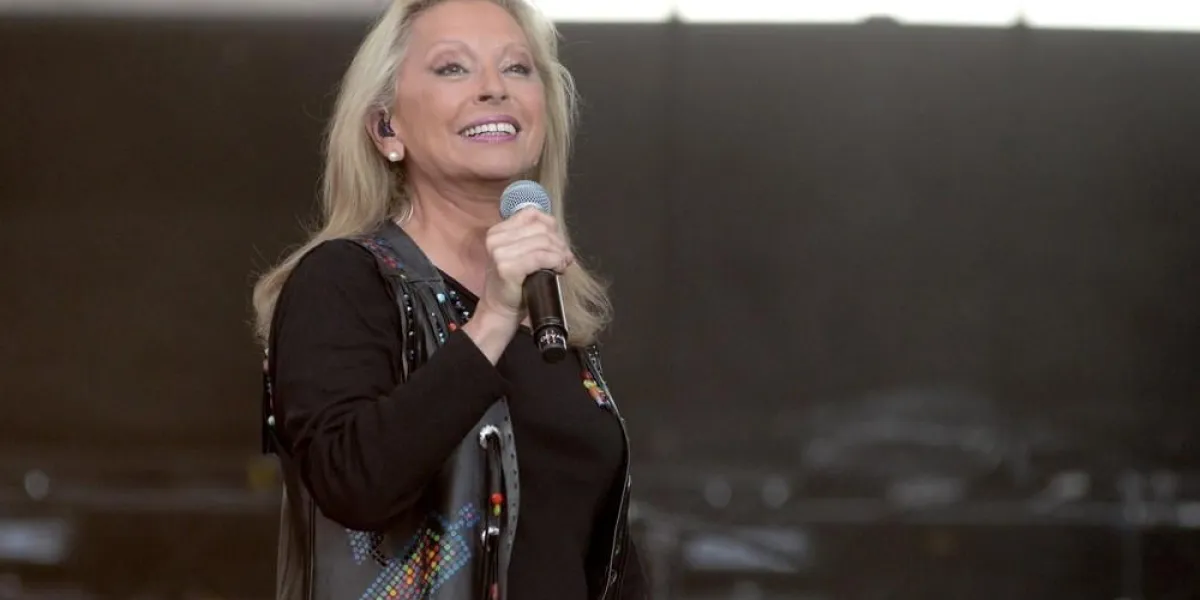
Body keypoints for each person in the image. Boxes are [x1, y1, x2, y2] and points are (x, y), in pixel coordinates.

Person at [251, 1, 647, 599]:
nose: (494, 89)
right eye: (453, 69)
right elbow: (353, 483)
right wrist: (490, 319)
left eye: (517, 68)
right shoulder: (342, 281)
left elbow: (598, 553)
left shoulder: (550, 311)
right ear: (387, 127)